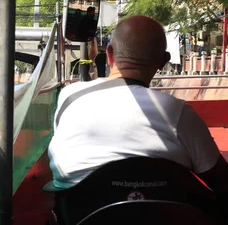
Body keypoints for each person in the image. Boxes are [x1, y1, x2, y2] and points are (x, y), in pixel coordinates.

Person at [49, 15, 228, 198]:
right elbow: (220, 179)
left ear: (109, 54)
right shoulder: (178, 113)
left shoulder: (70, 96)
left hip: (78, 221)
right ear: (164, 60)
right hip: (165, 224)